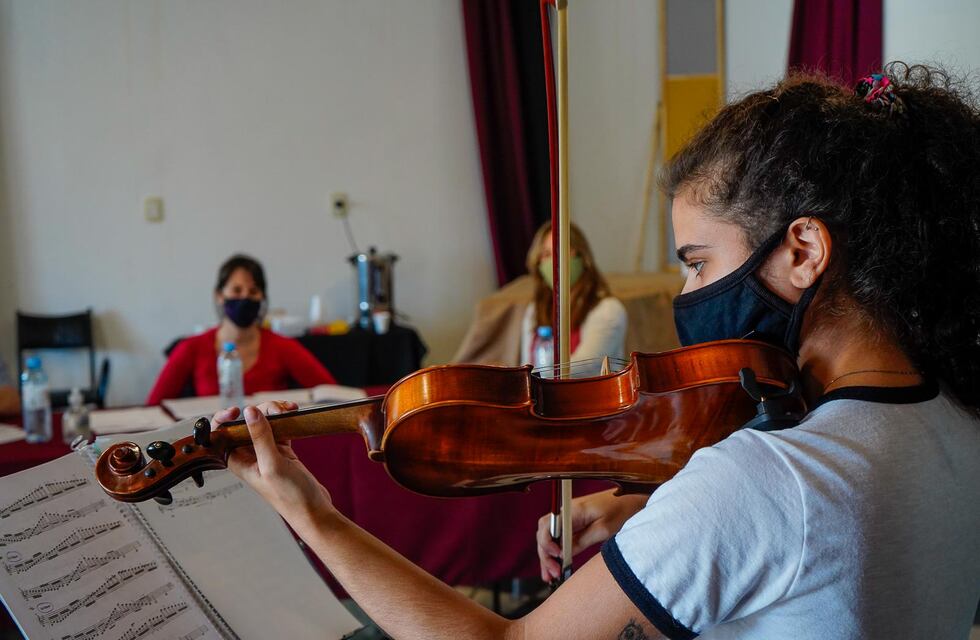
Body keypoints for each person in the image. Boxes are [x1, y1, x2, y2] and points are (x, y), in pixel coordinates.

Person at [212, 65, 980, 638]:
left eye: (697, 261)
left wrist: (314, 517)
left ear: (805, 248)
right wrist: (647, 507)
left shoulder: (762, 481)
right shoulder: (955, 417)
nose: (689, 296)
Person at [146, 254, 336, 405]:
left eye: (253, 291)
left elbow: (332, 393)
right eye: (237, 290)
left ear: (262, 297)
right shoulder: (190, 348)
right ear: (220, 296)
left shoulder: (282, 346)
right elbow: (154, 406)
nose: (245, 297)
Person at [520, 221, 627, 374]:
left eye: (560, 252)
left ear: (581, 255)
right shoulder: (534, 310)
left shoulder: (608, 310)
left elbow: (580, 370)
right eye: (546, 255)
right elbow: (526, 366)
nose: (554, 261)